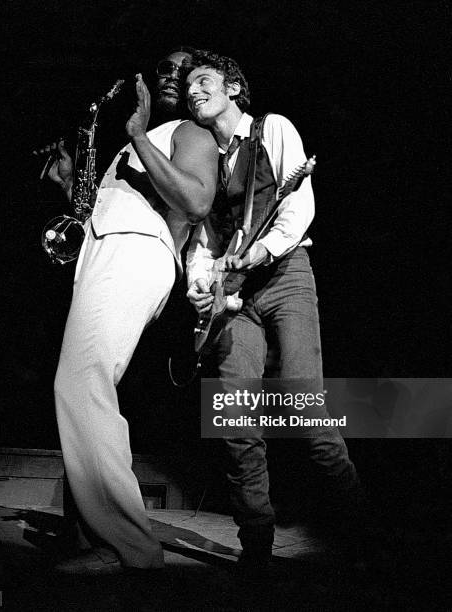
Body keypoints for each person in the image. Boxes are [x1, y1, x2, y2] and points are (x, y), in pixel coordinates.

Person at [185, 50, 365, 572]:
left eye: (204, 80)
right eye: (189, 84)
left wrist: (263, 249)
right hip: (232, 294)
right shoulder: (198, 156)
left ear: (233, 88)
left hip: (285, 277)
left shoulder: (273, 129)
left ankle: (357, 532)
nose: (194, 90)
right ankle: (257, 544)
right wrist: (202, 284)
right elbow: (201, 238)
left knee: (306, 407)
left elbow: (298, 203)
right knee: (234, 415)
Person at [46, 48, 218, 572]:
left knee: (80, 382)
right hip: (104, 250)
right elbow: (108, 205)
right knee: (83, 383)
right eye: (162, 67)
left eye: (181, 70)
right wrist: (71, 182)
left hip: (138, 250)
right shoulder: (131, 144)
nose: (169, 75)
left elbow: (197, 201)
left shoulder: (190, 134)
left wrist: (142, 133)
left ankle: (129, 548)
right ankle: (99, 536)